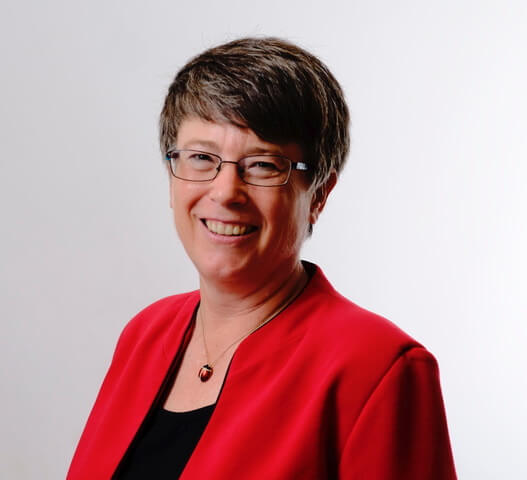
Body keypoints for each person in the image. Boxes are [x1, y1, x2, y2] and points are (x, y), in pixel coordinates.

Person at [67, 37, 457, 479]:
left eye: (263, 165)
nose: (225, 192)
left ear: (318, 195)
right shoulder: (144, 335)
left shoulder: (379, 369)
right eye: (200, 157)